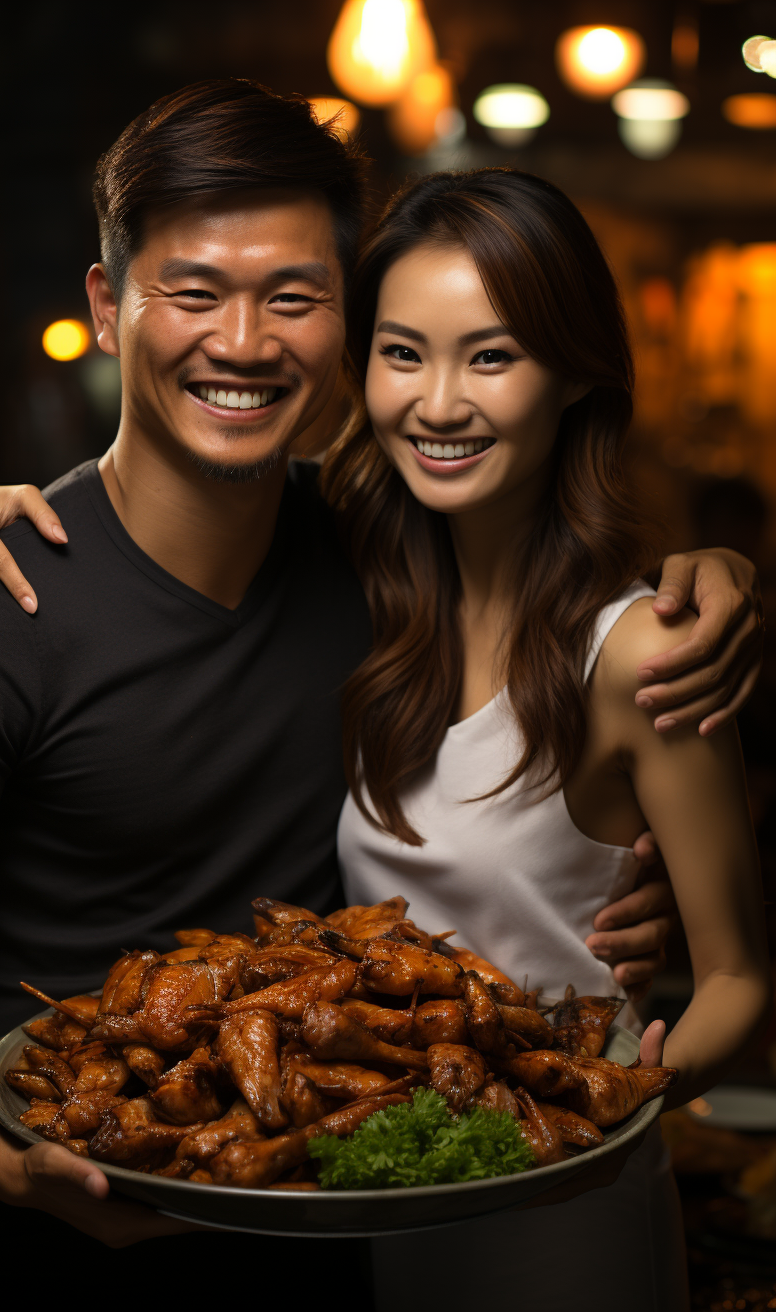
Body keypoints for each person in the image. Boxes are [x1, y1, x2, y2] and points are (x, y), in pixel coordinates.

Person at [0, 81, 762, 1304]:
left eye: (294, 297)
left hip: (333, 1251)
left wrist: (714, 577)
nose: (242, 340)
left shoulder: (378, 566)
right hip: (28, 1263)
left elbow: (547, 629)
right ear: (106, 312)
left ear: (340, 330)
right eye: (192, 291)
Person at [318, 168, 771, 1309]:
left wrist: (595, 1101)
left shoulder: (634, 652)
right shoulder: (369, 604)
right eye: (402, 351)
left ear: (572, 373)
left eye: (492, 355)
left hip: (561, 1220)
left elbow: (735, 977)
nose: (436, 402)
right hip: (389, 1199)